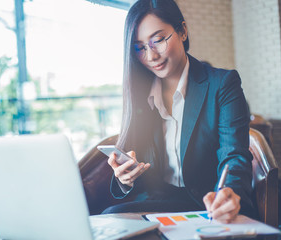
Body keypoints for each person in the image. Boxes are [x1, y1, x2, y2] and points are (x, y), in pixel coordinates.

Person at [103, 0, 256, 223]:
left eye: (158, 40)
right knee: (110, 218)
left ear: (182, 31)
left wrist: (228, 192)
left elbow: (233, 155)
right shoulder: (139, 92)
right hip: (158, 202)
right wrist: (125, 178)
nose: (151, 56)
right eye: (140, 47)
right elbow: (134, 159)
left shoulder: (222, 84)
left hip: (208, 202)